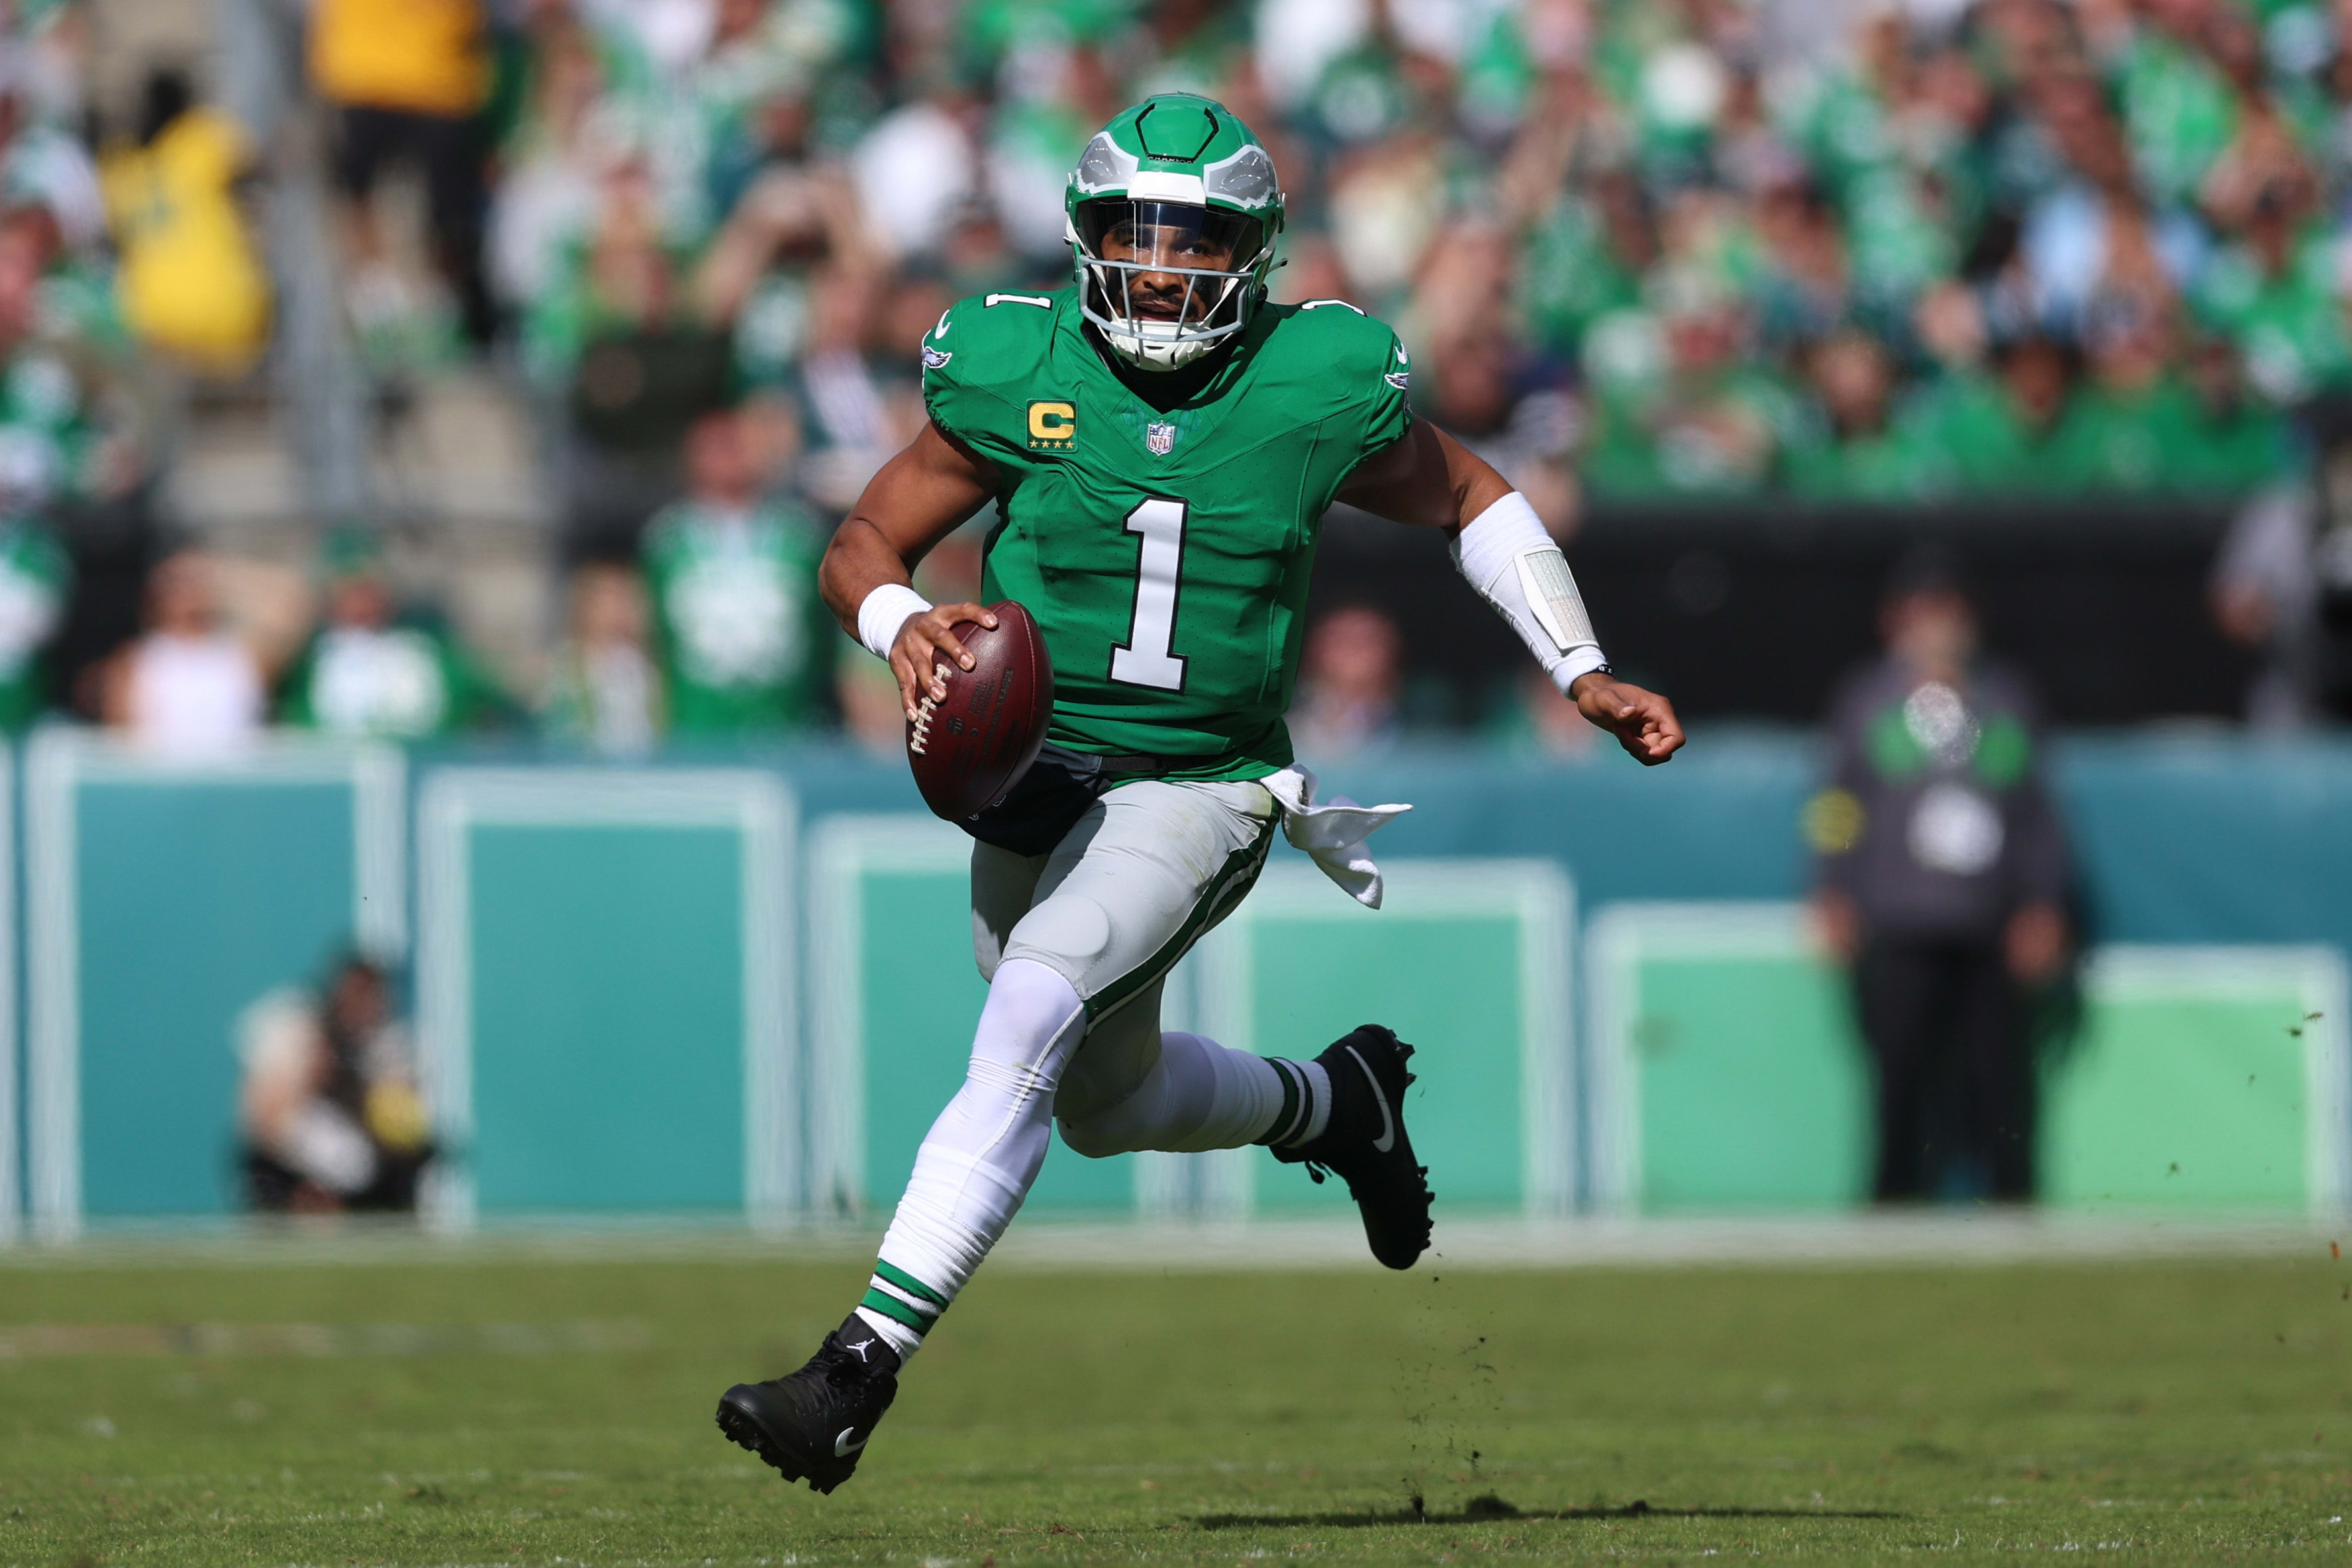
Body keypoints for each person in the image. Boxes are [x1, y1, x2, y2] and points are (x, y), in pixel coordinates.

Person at [715, 94, 1683, 1494]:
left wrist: (1578, 665)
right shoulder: (1013, 362)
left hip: (1199, 783)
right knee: (1101, 1100)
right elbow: (865, 537)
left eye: (1196, 239)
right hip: (1033, 776)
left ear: (1254, 252)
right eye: (1137, 232)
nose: (1163, 267)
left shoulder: (1311, 378)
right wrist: (899, 622)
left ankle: (850, 1376)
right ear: (1086, 237)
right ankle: (1337, 1102)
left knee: (1030, 1008)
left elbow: (1473, 493)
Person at [1811, 552, 2073, 1205]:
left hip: (1988, 922)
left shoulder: (2005, 700)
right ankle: (1893, 1201)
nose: (1939, 625)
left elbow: (2037, 814)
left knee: (1999, 1080)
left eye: (1950, 609)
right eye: (1924, 610)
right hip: (1898, 921)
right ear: (1895, 620)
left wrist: (2044, 903)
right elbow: (1837, 807)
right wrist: (1832, 888)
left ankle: (2011, 1202)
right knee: (1897, 1074)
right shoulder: (1867, 701)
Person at [640, 405, 832, 738]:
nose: (729, 457)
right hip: (696, 727)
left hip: (786, 725)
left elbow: (822, 633)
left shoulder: (801, 534)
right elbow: (654, 634)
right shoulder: (666, 540)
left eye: (737, 445)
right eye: (715, 447)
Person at [238, 953, 432, 1213]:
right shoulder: (295, 1027)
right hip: (291, 1158)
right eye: (356, 994)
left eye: (372, 997)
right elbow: (263, 1116)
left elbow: (398, 1117)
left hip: (363, 1162)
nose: (363, 1006)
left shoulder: (387, 1043)